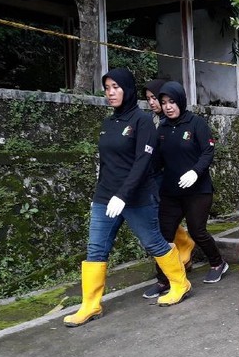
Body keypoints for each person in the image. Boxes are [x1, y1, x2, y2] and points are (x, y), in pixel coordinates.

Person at [63, 68, 191, 327]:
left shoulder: (142, 121)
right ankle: (90, 304)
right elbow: (107, 162)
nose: (110, 93)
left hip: (137, 196)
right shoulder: (109, 123)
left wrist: (122, 195)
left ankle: (180, 283)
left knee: (154, 243)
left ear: (128, 89)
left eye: (116, 87)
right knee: (96, 249)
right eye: (107, 88)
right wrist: (100, 194)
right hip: (105, 198)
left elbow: (143, 162)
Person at [152, 81, 228, 292]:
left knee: (197, 230)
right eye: (164, 102)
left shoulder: (196, 123)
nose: (168, 106)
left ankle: (218, 262)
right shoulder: (162, 128)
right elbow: (156, 160)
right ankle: (164, 279)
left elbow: (208, 151)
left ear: (181, 101)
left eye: (172, 102)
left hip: (198, 190)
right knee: (163, 234)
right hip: (171, 191)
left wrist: (195, 171)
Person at [141, 79, 196, 299]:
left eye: (157, 98)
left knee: (165, 226)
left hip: (171, 181)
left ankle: (172, 274)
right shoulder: (153, 121)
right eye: (150, 99)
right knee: (164, 226)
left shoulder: (177, 122)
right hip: (155, 180)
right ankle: (170, 271)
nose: (155, 103)